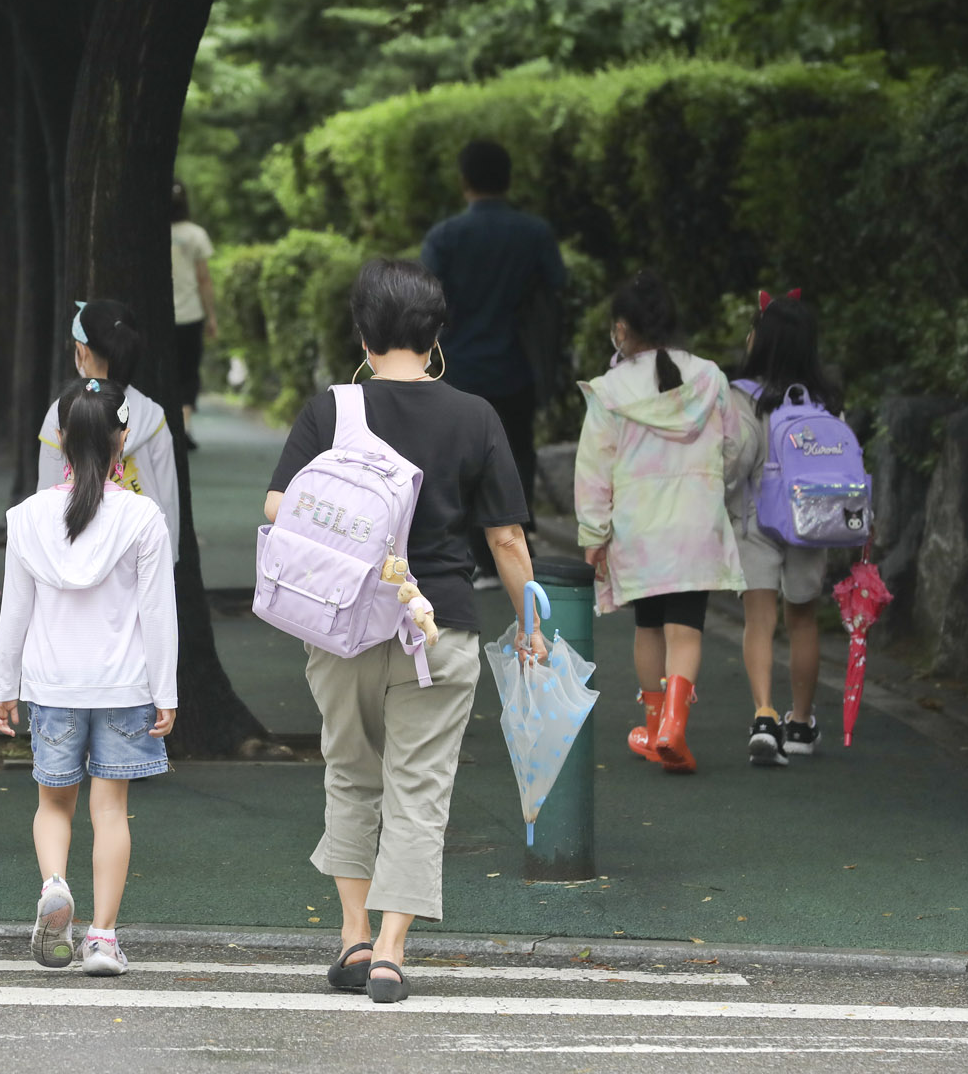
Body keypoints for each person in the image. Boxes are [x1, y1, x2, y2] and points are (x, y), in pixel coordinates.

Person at [265, 258, 538, 1003]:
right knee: (419, 791)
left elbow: (277, 508)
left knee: (349, 775)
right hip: (438, 627)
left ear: (362, 331)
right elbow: (508, 540)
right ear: (435, 334)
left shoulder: (333, 408)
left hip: (344, 624)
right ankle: (390, 951)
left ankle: (351, 935)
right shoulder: (476, 416)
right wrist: (531, 627)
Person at [0, 378, 177, 978]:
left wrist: (3, 687)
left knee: (53, 804)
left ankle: (54, 885)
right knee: (110, 810)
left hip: (51, 685)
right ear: (121, 442)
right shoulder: (142, 517)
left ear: (63, 442)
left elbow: (14, 612)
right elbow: (157, 614)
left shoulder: (25, 519)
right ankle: (102, 937)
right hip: (125, 686)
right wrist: (166, 691)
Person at [575, 271, 744, 775]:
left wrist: (592, 534)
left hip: (637, 531)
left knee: (647, 628)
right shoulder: (710, 376)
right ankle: (673, 728)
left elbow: (593, 470)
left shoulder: (609, 390)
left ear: (621, 329)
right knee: (685, 632)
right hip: (696, 525)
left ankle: (653, 726)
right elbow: (733, 447)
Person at [419, 139, 568, 589]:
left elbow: (426, 300)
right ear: (508, 179)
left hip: (459, 367)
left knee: (464, 460)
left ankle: (481, 555)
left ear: (464, 182)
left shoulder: (445, 237)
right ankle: (517, 543)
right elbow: (557, 286)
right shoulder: (534, 233)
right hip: (517, 365)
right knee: (517, 450)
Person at [727, 291, 838, 767]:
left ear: (763, 342)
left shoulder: (745, 396)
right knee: (803, 620)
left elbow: (736, 461)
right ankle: (800, 723)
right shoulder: (826, 399)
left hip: (757, 519)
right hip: (812, 523)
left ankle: (764, 716)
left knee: (759, 620)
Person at [36, 300, 181, 561]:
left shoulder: (61, 414)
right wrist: (167, 559)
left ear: (83, 351)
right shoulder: (153, 415)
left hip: (73, 553)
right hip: (141, 552)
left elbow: (47, 492)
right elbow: (167, 499)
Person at [169, 180, 219, 449]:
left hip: (163, 319)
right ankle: (184, 427)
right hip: (190, 314)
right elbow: (204, 280)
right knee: (188, 373)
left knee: (168, 371)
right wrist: (211, 316)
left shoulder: (151, 233)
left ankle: (166, 427)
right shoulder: (196, 234)